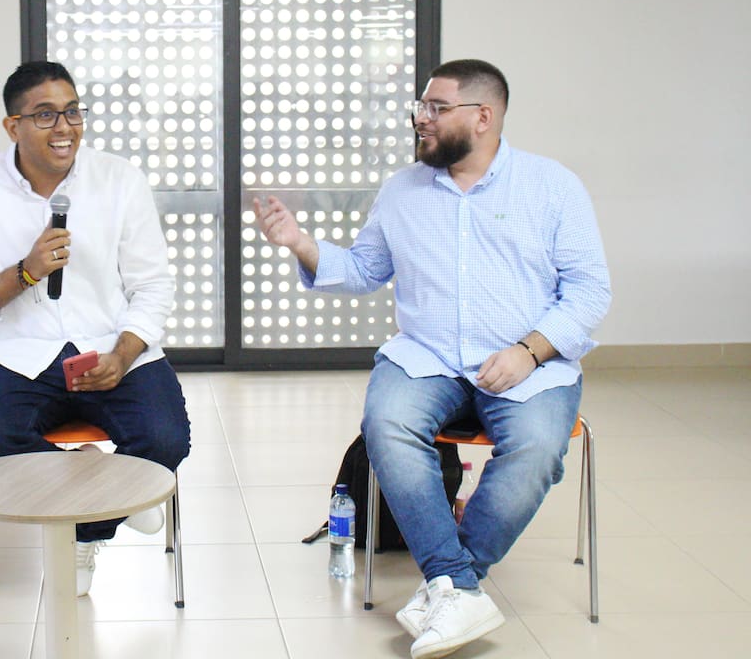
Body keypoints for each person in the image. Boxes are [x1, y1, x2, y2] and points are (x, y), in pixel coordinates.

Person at [255, 59, 610, 659]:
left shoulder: (552, 187)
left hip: (530, 363)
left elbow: (590, 291)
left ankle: (449, 583)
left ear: (483, 116)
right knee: (386, 426)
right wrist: (301, 244)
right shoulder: (402, 191)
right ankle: (457, 583)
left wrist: (530, 351)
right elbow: (365, 270)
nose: (421, 119)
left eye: (435, 108)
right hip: (428, 357)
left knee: (537, 449)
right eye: (421, 107)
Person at [0, 60, 190, 597]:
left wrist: (123, 355)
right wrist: (25, 273)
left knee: (165, 436)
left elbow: (153, 286)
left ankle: (82, 535)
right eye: (46, 115)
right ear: (14, 126)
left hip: (110, 346)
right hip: (15, 354)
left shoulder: (119, 179)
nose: (65, 128)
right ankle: (106, 490)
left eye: (73, 112)